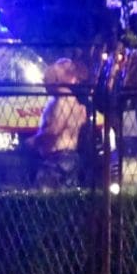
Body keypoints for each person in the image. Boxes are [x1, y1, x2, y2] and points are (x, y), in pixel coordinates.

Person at [29, 58, 88, 189]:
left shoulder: (60, 101)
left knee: (43, 196)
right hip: (70, 155)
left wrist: (34, 140)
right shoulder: (75, 103)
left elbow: (55, 129)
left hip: (57, 159)